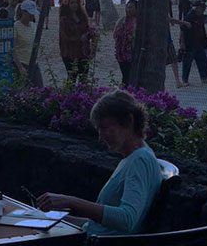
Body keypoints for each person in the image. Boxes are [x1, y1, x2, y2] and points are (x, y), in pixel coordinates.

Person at [36, 90, 162, 236]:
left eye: (105, 127)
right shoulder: (134, 158)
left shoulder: (139, 160)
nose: (100, 137)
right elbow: (98, 226)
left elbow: (127, 220)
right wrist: (56, 218)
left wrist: (70, 201)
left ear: (128, 121)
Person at [180, 0, 207, 86]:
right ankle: (185, 80)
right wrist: (182, 43)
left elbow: (206, 20)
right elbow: (182, 30)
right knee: (187, 62)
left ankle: (205, 78)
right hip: (189, 43)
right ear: (197, 8)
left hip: (200, 42)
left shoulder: (201, 16)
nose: (203, 9)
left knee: (203, 61)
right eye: (202, 8)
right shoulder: (189, 16)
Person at [59, 0, 91, 84]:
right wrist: (80, 39)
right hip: (69, 53)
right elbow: (65, 37)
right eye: (72, 3)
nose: (75, 5)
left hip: (83, 52)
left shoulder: (82, 17)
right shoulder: (64, 19)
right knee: (72, 77)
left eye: (76, 2)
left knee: (84, 78)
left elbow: (87, 30)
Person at [13, 0, 44, 87]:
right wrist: (20, 67)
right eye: (30, 14)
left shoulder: (33, 25)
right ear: (23, 12)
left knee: (39, 87)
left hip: (34, 62)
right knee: (22, 89)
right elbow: (13, 49)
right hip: (22, 63)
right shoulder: (16, 26)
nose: (32, 16)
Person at [113, 0, 137, 86]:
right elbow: (115, 34)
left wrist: (133, 37)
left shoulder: (140, 21)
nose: (128, 9)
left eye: (131, 7)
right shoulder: (122, 20)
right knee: (126, 75)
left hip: (135, 52)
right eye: (127, 7)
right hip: (122, 53)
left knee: (132, 76)